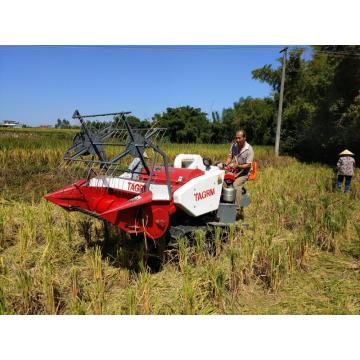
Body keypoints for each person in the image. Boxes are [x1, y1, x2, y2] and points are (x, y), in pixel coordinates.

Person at [223, 129, 254, 220]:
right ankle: (223, 204)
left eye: (239, 138)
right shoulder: (234, 146)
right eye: (236, 138)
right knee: (223, 181)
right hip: (235, 169)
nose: (237, 140)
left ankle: (237, 209)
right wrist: (225, 165)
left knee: (236, 185)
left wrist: (238, 166)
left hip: (245, 171)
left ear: (244, 138)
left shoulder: (249, 149)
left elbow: (248, 164)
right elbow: (230, 157)